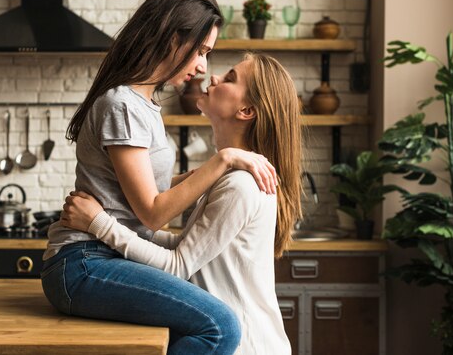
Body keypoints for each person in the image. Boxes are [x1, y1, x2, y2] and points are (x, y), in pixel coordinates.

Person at [41, 0, 278, 355]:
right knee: (219, 326)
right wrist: (225, 158)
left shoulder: (144, 105)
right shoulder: (122, 104)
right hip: (86, 261)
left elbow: (153, 186)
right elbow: (152, 212)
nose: (203, 67)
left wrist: (224, 165)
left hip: (108, 256)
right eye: (200, 51)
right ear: (172, 39)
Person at [60, 52, 303, 355]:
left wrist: (101, 224)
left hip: (241, 345)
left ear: (246, 110)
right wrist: (103, 224)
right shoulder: (231, 176)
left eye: (229, 78)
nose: (211, 76)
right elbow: (184, 246)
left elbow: (177, 266)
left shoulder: (240, 185)